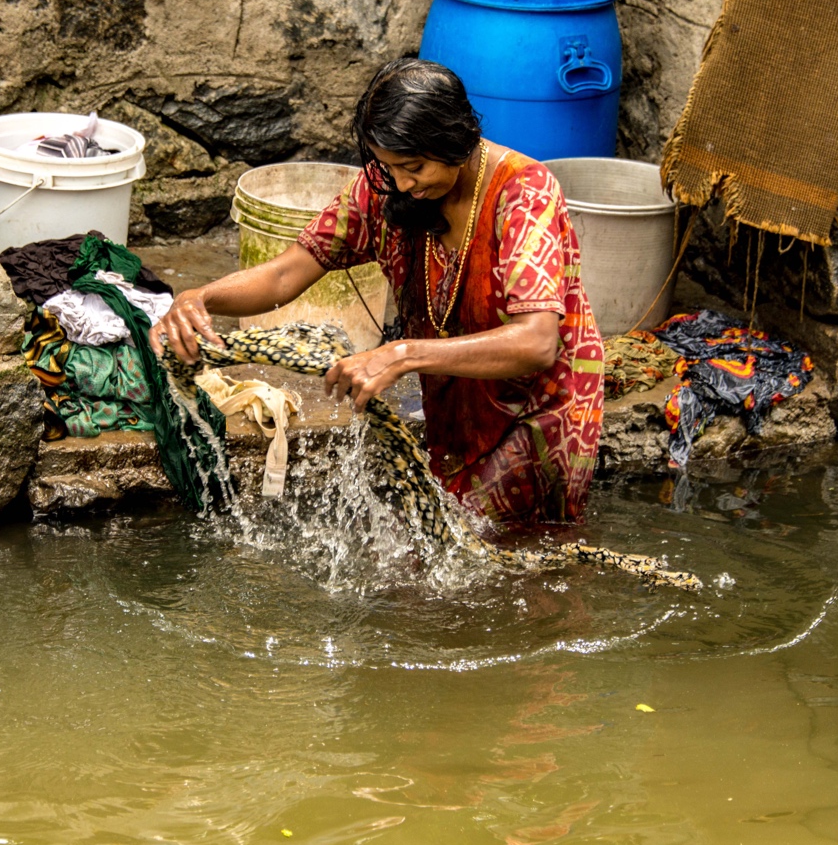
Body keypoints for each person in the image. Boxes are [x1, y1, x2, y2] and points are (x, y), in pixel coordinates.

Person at [149, 58, 604, 528]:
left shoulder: (524, 194)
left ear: (457, 143)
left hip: (541, 409)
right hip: (457, 401)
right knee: (442, 550)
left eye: (415, 166)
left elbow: (535, 342)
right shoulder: (385, 190)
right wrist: (199, 298)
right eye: (388, 166)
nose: (402, 183)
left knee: (515, 554)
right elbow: (286, 274)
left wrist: (402, 354)